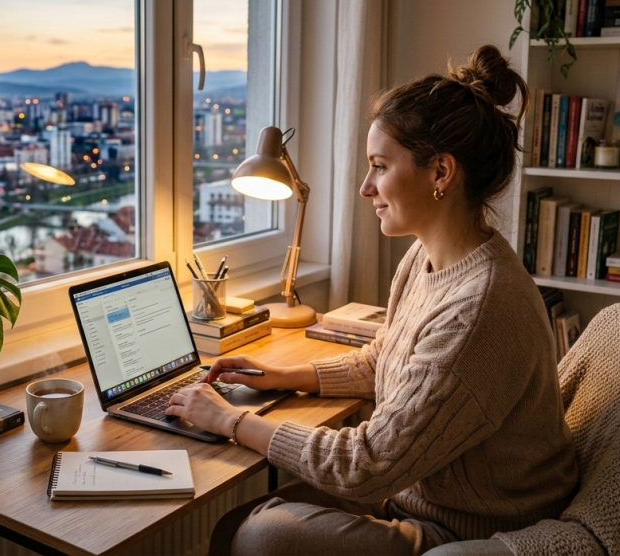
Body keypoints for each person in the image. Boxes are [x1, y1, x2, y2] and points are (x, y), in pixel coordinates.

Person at [166, 44, 579, 556]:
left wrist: (231, 421)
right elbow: (387, 359)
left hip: (472, 527)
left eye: (379, 166)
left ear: (441, 173)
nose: (365, 188)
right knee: (236, 527)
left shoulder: (478, 307)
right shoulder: (424, 259)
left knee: (259, 535)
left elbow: (366, 465)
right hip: (414, 493)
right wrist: (284, 376)